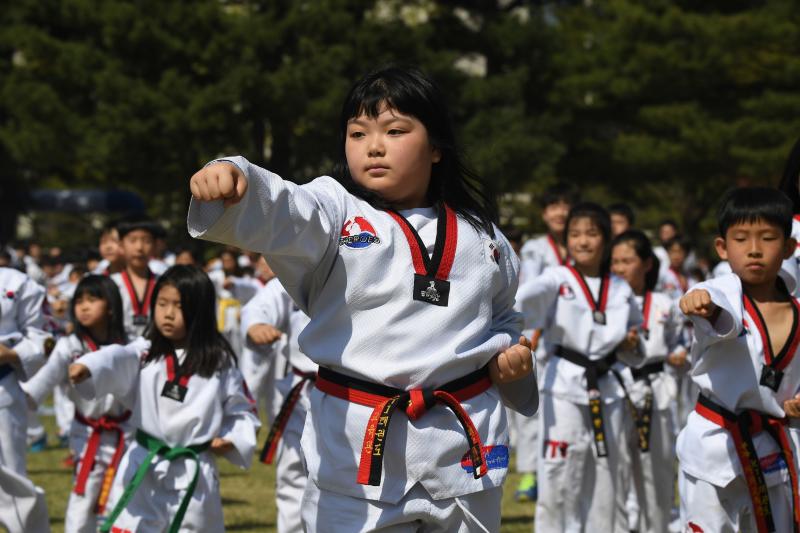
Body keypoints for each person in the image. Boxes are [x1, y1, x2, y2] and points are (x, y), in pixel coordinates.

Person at [187, 65, 536, 532]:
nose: (373, 146)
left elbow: (503, 317)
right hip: (359, 443)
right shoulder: (336, 210)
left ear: (436, 148)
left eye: (394, 131)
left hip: (461, 443)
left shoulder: (483, 237)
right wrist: (233, 173)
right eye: (357, 133)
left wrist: (510, 363)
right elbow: (286, 207)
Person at [68, 265, 260, 532]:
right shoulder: (145, 353)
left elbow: (241, 409)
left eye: (179, 306)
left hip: (193, 471)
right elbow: (116, 357)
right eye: (162, 304)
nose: (168, 314)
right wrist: (89, 366)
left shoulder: (219, 362)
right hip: (143, 462)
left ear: (200, 311)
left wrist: (230, 438)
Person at [677, 187, 800, 532]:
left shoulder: (798, 311)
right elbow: (711, 303)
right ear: (722, 247)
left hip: (773, 450)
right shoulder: (722, 295)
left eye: (768, 238)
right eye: (741, 238)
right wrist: (699, 302)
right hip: (715, 448)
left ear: (790, 248)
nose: (755, 249)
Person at [517, 202, 643, 532]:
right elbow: (523, 301)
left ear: (606, 239)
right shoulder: (556, 279)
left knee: (606, 474)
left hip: (609, 387)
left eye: (591, 233)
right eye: (575, 234)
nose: (583, 241)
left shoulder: (620, 288)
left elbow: (636, 339)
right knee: (559, 472)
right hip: (563, 386)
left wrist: (631, 343)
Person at [23, 275, 131, 532]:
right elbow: (42, 382)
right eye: (79, 301)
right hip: (87, 435)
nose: (83, 306)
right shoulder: (70, 346)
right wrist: (20, 399)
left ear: (111, 306)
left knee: (125, 497)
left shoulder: (129, 346)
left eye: (92, 300)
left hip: (127, 434)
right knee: (83, 500)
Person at [610, 230, 687, 533]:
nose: (619, 267)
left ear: (646, 264)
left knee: (657, 469)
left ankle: (657, 527)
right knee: (614, 469)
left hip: (656, 388)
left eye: (627, 260)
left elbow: (680, 341)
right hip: (615, 387)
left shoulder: (665, 303)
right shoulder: (605, 302)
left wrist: (679, 354)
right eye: (614, 261)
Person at [513, 183, 578, 502]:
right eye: (553, 206)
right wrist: (531, 332)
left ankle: (565, 469)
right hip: (539, 337)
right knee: (533, 409)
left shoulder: (581, 245)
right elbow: (527, 293)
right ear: (544, 213)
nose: (560, 212)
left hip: (572, 337)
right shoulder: (536, 248)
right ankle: (528, 473)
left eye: (565, 206)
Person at [242, 277, 315, 533]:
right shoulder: (301, 266)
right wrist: (256, 323)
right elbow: (259, 305)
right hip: (303, 390)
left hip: (357, 393)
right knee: (292, 475)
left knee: (348, 482)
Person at [0, 266, 52, 533]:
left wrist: (10, 355)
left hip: (3, 387)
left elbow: (43, 339)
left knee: (12, 477)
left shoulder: (18, 283)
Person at [110, 218, 161, 339]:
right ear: (121, 245)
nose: (139, 247)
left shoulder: (163, 283)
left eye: (147, 241)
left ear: (155, 246)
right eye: (132, 240)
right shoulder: (111, 283)